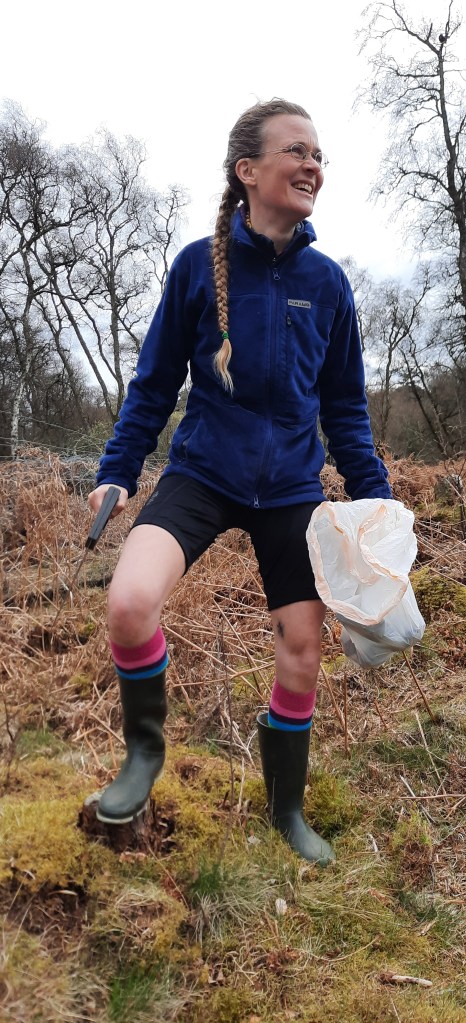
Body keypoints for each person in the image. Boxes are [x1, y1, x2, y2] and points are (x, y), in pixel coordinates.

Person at [88, 98, 392, 866]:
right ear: (247, 170)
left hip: (291, 489)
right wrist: (117, 471)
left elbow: (345, 410)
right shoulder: (198, 265)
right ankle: (143, 753)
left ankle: (285, 807)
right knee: (128, 602)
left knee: (303, 648)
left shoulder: (328, 284)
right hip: (202, 473)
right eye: (297, 150)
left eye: (319, 154)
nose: (312, 164)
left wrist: (377, 501)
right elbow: (153, 384)